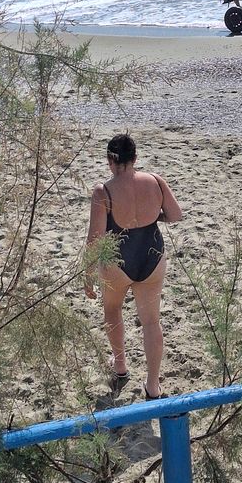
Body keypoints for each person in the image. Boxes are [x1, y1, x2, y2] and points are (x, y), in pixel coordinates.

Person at [84, 133, 183, 400]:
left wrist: (87, 274)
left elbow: (95, 238)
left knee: (113, 310)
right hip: (152, 256)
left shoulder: (102, 191)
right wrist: (153, 216)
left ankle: (120, 368)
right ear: (135, 158)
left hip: (118, 260)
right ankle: (153, 385)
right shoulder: (155, 181)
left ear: (109, 161)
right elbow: (176, 215)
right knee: (151, 322)